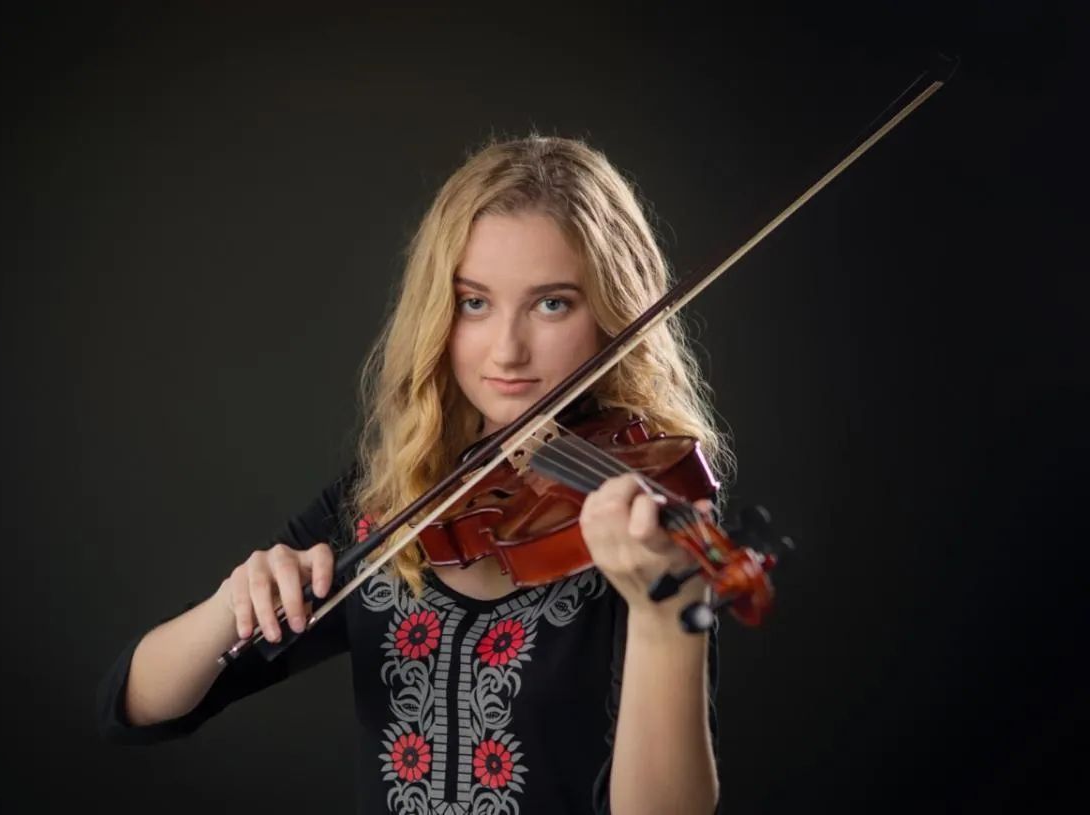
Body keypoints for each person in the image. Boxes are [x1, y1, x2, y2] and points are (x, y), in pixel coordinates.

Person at [96, 134, 732, 815]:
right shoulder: (386, 497)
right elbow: (133, 706)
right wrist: (233, 603)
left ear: (613, 313)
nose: (508, 350)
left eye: (552, 303)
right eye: (475, 302)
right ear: (439, 311)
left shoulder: (651, 515)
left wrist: (667, 617)